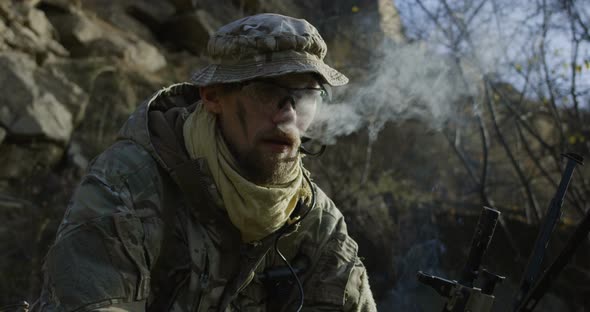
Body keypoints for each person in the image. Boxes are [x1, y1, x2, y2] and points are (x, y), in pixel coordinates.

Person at [36, 13, 377, 312]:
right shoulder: (128, 183)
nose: (288, 115)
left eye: (305, 95)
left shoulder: (315, 219)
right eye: (266, 91)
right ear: (214, 96)